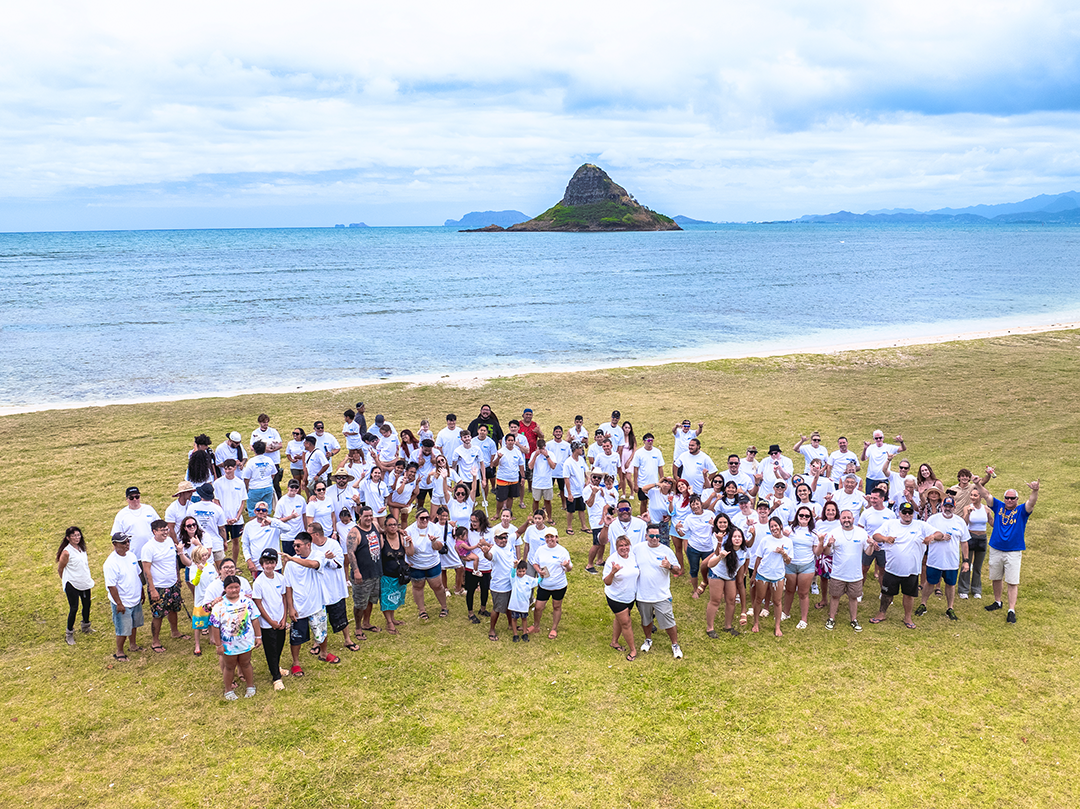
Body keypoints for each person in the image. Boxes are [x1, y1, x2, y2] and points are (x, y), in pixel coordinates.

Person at [974, 470, 1039, 623]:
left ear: (1017, 499)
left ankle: (1011, 610)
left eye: (1012, 498)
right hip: (996, 548)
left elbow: (1031, 502)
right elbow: (986, 495)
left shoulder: (1021, 510)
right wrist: (977, 484)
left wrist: (1035, 491)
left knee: (1012, 581)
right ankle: (997, 602)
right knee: (996, 577)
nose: (1009, 500)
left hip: (1013, 551)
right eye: (1007, 498)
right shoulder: (998, 506)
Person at [870, 503, 934, 628]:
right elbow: (875, 536)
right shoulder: (890, 524)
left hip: (912, 569)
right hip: (892, 568)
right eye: (904, 512)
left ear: (913, 514)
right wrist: (885, 538)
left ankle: (907, 617)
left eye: (910, 512)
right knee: (886, 594)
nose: (907, 515)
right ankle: (881, 614)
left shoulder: (921, 525)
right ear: (899, 513)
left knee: (909, 595)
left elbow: (939, 534)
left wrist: (931, 537)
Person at [633, 522, 684, 658]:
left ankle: (675, 644)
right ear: (646, 536)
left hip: (661, 595)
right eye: (652, 536)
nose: (655, 538)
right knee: (646, 620)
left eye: (657, 536)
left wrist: (670, 566)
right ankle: (648, 639)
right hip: (643, 594)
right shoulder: (637, 549)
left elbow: (678, 569)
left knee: (669, 621)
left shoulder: (666, 551)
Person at [307, 523, 357, 658]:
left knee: (341, 614)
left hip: (334, 589)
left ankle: (347, 639)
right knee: (317, 619)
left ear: (316, 534)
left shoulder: (333, 544)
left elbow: (338, 563)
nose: (308, 537)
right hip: (318, 589)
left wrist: (323, 560)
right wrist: (324, 558)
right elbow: (310, 563)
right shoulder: (310, 547)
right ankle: (317, 642)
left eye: (309, 534)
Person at [281, 532, 328, 676]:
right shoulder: (290, 564)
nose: (295, 548)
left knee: (322, 632)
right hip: (299, 606)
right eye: (294, 545)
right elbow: (288, 586)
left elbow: (313, 565)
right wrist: (291, 608)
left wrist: (292, 559)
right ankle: (296, 663)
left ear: (308, 545)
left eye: (298, 545)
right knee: (296, 638)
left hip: (316, 603)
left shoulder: (318, 555)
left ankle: (324, 653)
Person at [917, 496, 970, 620]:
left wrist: (966, 561)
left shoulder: (960, 522)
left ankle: (950, 607)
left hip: (952, 561)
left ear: (954, 508)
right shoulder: (933, 519)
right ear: (942, 506)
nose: (947, 509)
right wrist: (939, 538)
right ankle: (923, 604)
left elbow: (964, 542)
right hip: (935, 559)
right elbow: (925, 537)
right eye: (946, 506)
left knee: (951, 584)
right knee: (930, 582)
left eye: (950, 507)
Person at [210, 574, 262, 700]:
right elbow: (215, 626)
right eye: (230, 588)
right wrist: (218, 645)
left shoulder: (247, 602)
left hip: (245, 641)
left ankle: (250, 686)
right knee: (229, 667)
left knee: (246, 663)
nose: (234, 590)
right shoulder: (219, 606)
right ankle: (228, 689)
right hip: (228, 644)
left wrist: (258, 636)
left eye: (236, 587)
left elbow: (254, 619)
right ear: (225, 589)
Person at [141, 519, 190, 652]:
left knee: (174, 609)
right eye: (162, 530)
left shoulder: (169, 541)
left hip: (173, 583)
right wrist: (152, 589)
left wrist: (177, 577)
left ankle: (175, 631)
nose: (165, 533)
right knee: (158, 614)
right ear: (154, 532)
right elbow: (146, 570)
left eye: (166, 530)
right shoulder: (148, 548)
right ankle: (155, 641)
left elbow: (174, 560)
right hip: (158, 586)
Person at [820, 509, 871, 631]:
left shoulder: (861, 533)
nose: (846, 520)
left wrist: (872, 545)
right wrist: (829, 544)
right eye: (844, 518)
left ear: (853, 519)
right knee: (835, 596)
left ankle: (854, 619)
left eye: (849, 518)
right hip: (838, 573)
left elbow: (868, 553)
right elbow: (827, 552)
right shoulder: (834, 533)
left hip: (855, 574)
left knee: (853, 597)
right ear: (840, 520)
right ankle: (831, 618)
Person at [699, 526, 749, 638]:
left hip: (730, 577)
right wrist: (720, 557)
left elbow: (741, 568)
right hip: (716, 574)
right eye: (734, 536)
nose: (737, 539)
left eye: (739, 537)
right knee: (715, 600)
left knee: (731, 600)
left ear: (742, 539)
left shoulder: (744, 552)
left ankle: (728, 626)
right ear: (731, 538)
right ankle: (710, 628)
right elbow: (709, 564)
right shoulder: (723, 548)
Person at [103, 532, 145, 661]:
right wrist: (119, 604)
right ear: (115, 544)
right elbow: (111, 586)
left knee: (133, 624)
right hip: (123, 601)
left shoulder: (132, 556)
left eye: (128, 541)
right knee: (123, 628)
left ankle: (133, 645)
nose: (127, 544)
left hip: (134, 597)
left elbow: (137, 574)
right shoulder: (111, 563)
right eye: (123, 542)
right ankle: (119, 652)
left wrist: (141, 591)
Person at [250, 549, 287, 691]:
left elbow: (283, 598)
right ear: (262, 564)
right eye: (266, 563)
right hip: (267, 623)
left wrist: (284, 618)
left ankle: (276, 667)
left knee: (279, 646)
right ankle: (276, 678)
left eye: (272, 562)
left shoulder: (280, 578)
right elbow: (258, 604)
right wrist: (270, 621)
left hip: (280, 620)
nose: (269, 566)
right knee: (270, 649)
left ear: (276, 563)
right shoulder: (258, 582)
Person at [750, 516, 793, 637]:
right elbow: (758, 558)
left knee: (777, 601)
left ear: (781, 526)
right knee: (759, 599)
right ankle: (756, 623)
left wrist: (783, 553)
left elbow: (788, 561)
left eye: (776, 525)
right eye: (771, 526)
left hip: (778, 576)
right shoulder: (765, 540)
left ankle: (777, 626)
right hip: (763, 574)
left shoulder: (788, 542)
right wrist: (754, 574)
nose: (774, 528)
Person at [404, 508, 450, 620]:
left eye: (427, 518)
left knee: (438, 586)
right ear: (416, 518)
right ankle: (422, 611)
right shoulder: (409, 531)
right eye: (422, 518)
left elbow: (439, 548)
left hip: (432, 563)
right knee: (418, 586)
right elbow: (409, 553)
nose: (425, 520)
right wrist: (409, 543)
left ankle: (444, 607)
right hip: (416, 565)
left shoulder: (434, 528)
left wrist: (434, 541)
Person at [346, 506, 383, 638]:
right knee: (360, 603)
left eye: (370, 515)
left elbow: (382, 532)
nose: (368, 518)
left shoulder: (375, 525)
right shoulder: (354, 533)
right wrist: (356, 571)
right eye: (366, 516)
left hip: (376, 571)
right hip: (362, 575)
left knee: (371, 600)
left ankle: (366, 623)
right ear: (360, 516)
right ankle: (358, 628)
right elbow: (350, 553)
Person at [528, 528, 573, 639]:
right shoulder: (541, 550)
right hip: (544, 585)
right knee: (538, 607)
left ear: (556, 537)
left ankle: (554, 628)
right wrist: (539, 571)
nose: (550, 539)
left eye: (552, 537)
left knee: (556, 606)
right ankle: (536, 626)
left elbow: (569, 569)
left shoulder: (562, 551)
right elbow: (535, 563)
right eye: (547, 537)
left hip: (559, 585)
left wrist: (566, 565)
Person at [603, 536, 640, 660]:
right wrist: (613, 572)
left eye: (626, 545)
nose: (624, 548)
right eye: (621, 546)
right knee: (626, 622)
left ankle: (614, 642)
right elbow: (607, 582)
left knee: (619, 619)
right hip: (616, 597)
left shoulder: (634, 557)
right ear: (616, 547)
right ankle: (633, 650)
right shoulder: (612, 560)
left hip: (630, 596)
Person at [57, 526, 95, 644]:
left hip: (84, 581)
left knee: (87, 605)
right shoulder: (66, 552)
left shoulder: (82, 548)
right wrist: (66, 580)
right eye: (73, 536)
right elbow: (60, 568)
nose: (77, 538)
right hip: (72, 583)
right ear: (68, 538)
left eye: (78, 535)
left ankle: (86, 626)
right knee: (74, 608)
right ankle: (69, 633)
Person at [782, 506, 817, 629]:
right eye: (801, 515)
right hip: (790, 565)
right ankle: (786, 613)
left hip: (806, 566)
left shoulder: (814, 533)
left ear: (810, 518)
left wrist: (822, 542)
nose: (804, 517)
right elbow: (781, 543)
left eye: (807, 516)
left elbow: (816, 552)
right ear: (797, 516)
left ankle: (803, 619)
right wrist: (784, 536)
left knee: (803, 593)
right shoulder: (789, 529)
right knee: (789, 590)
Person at [241, 500, 298, 577]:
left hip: (274, 564)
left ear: (267, 512)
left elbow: (288, 528)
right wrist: (249, 561)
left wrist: (271, 523)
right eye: (258, 510)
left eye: (264, 510)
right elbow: (245, 545)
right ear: (254, 511)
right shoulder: (249, 526)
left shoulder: (274, 522)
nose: (261, 512)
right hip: (257, 565)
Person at [674, 494, 715, 598]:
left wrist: (714, 524)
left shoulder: (710, 514)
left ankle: (713, 590)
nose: (695, 506)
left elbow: (718, 529)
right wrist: (677, 529)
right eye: (693, 505)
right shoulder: (689, 518)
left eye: (697, 503)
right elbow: (682, 534)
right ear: (690, 507)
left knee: (712, 570)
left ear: (701, 504)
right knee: (694, 569)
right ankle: (695, 590)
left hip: (709, 548)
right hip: (694, 548)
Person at [481, 529, 518, 641]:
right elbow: (489, 556)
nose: (503, 540)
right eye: (500, 538)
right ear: (495, 539)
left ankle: (511, 624)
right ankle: (491, 630)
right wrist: (485, 553)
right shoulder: (495, 550)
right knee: (497, 609)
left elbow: (519, 532)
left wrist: (527, 522)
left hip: (511, 583)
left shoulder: (508, 545)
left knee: (509, 606)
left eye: (505, 537)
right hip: (499, 586)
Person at [111, 486, 161, 559]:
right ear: (127, 499)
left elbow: (160, 527)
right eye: (131, 498)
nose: (135, 499)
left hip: (152, 553)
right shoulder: (121, 515)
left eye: (137, 497)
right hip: (133, 555)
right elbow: (116, 538)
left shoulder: (149, 509)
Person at [379, 516, 410, 633]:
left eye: (395, 524)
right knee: (386, 600)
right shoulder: (382, 538)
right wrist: (382, 531)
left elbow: (409, 552)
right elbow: (374, 524)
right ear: (385, 527)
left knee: (394, 598)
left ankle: (392, 618)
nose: (393, 527)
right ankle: (389, 622)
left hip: (400, 575)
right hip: (386, 575)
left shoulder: (401, 537)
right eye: (390, 525)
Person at [959, 485, 990, 599]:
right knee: (966, 563)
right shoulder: (967, 508)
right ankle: (963, 589)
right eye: (971, 495)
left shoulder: (986, 509)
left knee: (978, 565)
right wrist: (968, 513)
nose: (972, 497)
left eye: (975, 495)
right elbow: (964, 524)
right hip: (970, 536)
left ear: (980, 496)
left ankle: (976, 589)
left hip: (982, 537)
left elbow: (992, 522)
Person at [213, 459, 247, 561]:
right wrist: (223, 518)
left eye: (229, 468)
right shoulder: (218, 483)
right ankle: (222, 563)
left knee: (235, 540)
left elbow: (242, 502)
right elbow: (216, 501)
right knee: (221, 541)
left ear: (235, 468)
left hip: (235, 520)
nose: (227, 471)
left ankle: (234, 563)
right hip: (222, 519)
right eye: (225, 469)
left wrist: (237, 518)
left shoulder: (240, 483)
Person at [630, 433, 665, 516]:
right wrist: (636, 484)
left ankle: (654, 517)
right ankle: (643, 517)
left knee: (655, 502)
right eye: (648, 440)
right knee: (643, 502)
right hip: (642, 483)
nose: (650, 442)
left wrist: (662, 480)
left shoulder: (657, 452)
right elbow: (636, 469)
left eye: (652, 440)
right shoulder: (639, 453)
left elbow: (660, 467)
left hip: (655, 483)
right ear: (644, 441)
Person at [492, 433, 527, 516]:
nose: (510, 442)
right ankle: (497, 514)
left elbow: (521, 465)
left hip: (514, 478)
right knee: (500, 498)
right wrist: (498, 458)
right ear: (505, 441)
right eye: (509, 440)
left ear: (514, 442)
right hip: (502, 478)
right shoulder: (500, 451)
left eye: (512, 440)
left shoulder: (517, 452)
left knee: (510, 497)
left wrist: (523, 477)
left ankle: (508, 514)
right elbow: (494, 464)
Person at [251, 414, 284, 498]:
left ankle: (278, 499)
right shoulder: (255, 433)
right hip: (261, 461)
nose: (266, 424)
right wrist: (264, 450)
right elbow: (252, 447)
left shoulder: (273, 431)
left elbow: (280, 445)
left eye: (267, 422)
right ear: (259, 422)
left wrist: (271, 450)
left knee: (275, 483)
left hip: (274, 460)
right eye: (263, 422)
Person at [242, 440, 278, 514]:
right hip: (267, 487)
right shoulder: (269, 460)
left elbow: (246, 478)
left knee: (253, 510)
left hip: (254, 488)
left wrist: (246, 488)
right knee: (266, 509)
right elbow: (273, 473)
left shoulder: (251, 462)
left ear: (254, 450)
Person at [562, 441, 589, 535]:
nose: (582, 450)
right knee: (570, 510)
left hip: (581, 491)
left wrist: (588, 480)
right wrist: (569, 493)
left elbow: (586, 471)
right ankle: (569, 527)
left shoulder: (581, 459)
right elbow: (566, 478)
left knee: (582, 509)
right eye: (580, 448)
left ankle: (584, 526)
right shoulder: (568, 463)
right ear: (575, 449)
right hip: (572, 491)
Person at [508, 560, 537, 643]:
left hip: (524, 604)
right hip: (515, 604)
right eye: (519, 571)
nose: (521, 573)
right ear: (517, 570)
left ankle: (525, 633)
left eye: (523, 571)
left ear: (526, 570)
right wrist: (514, 566)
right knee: (514, 619)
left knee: (524, 618)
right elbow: (512, 573)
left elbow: (537, 581)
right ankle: (515, 634)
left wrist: (542, 576)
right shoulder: (514, 579)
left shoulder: (528, 579)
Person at [529, 438, 556, 523]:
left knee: (547, 501)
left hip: (547, 483)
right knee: (535, 500)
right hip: (537, 483)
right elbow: (530, 466)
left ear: (545, 446)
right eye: (539, 448)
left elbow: (553, 466)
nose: (541, 450)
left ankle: (549, 518)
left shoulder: (551, 454)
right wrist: (535, 456)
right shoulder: (534, 454)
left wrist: (547, 456)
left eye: (542, 448)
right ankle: (535, 517)